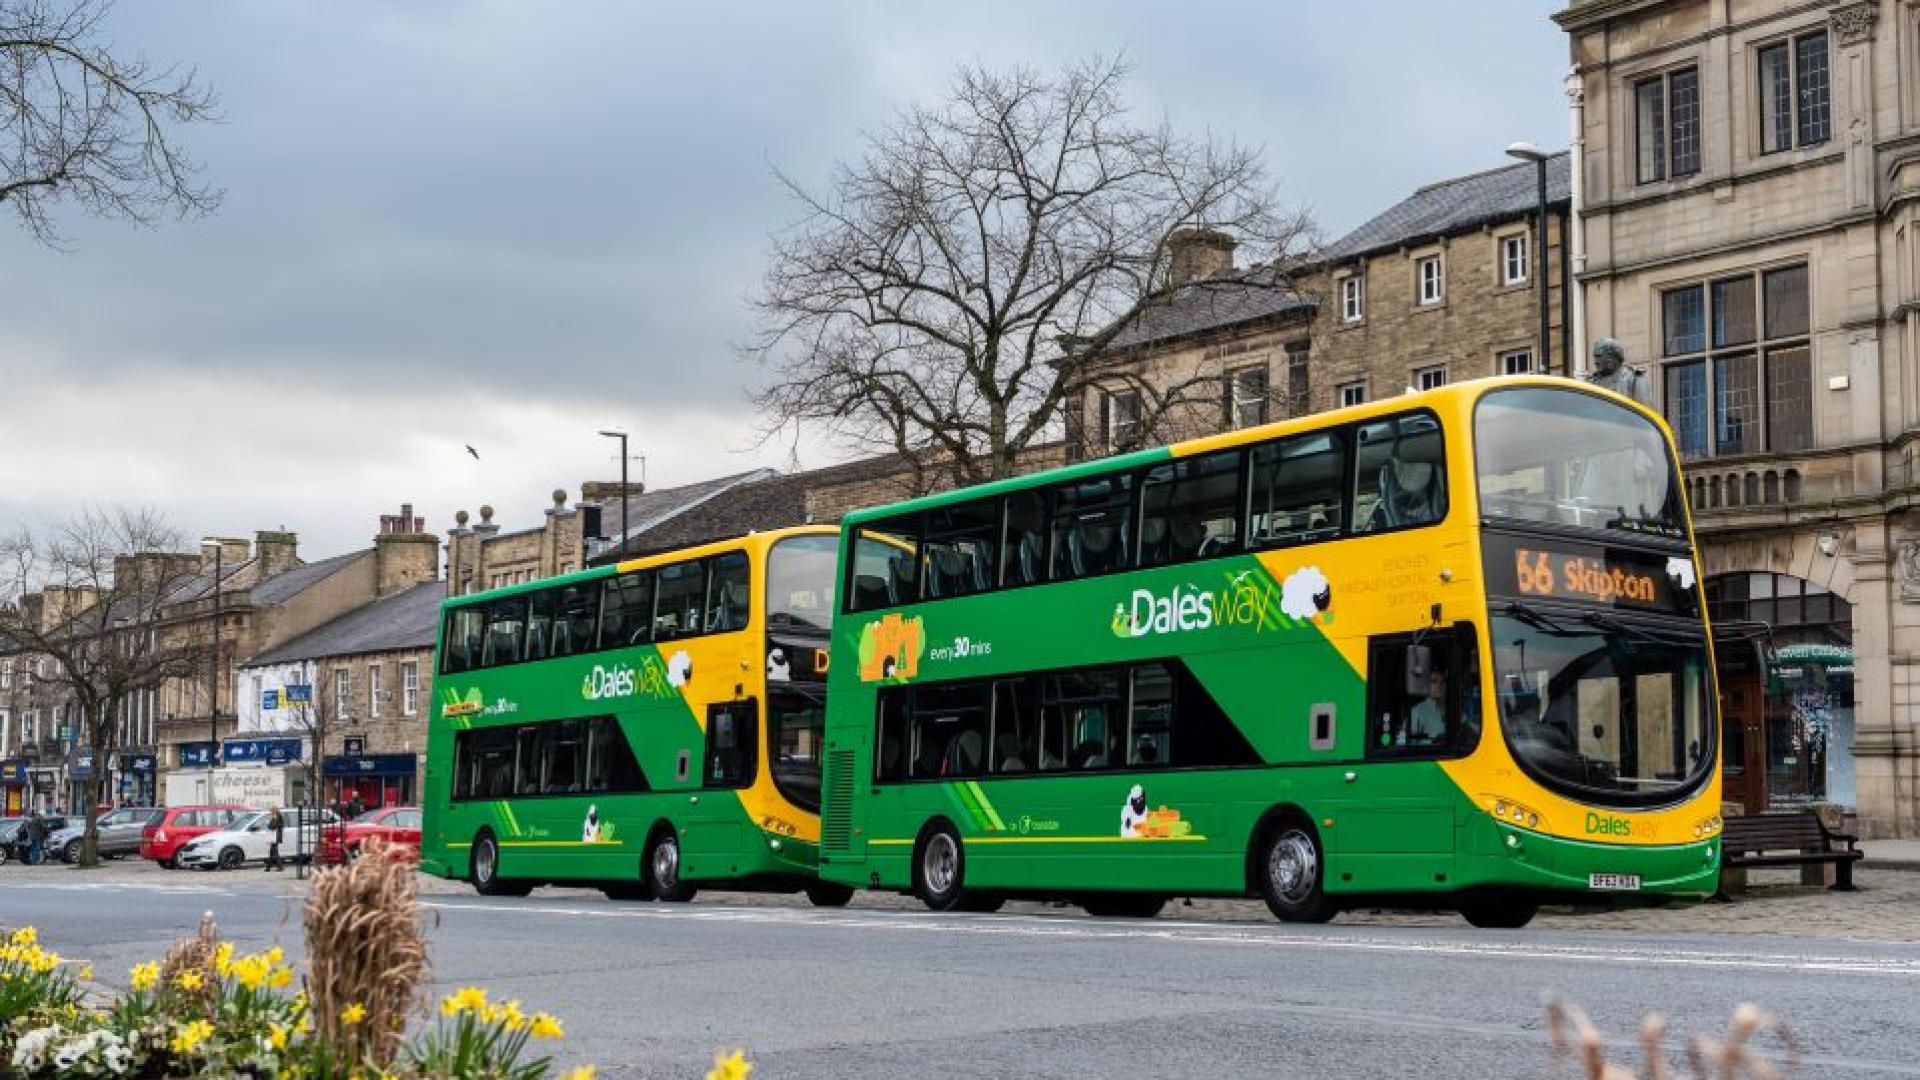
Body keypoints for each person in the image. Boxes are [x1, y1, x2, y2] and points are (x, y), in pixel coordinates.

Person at [1585, 338, 1650, 405]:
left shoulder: (1634, 379)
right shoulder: (1593, 382)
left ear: (1612, 357)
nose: (1595, 362)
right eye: (1595, 357)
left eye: (1599, 356)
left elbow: (1645, 409)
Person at [1408, 669, 1450, 746]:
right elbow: (1407, 744)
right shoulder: (1417, 712)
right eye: (1434, 681)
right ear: (1427, 686)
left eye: (1442, 682)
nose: (1439, 685)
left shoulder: (1453, 709)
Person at [264, 808, 285, 872]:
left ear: (274, 812)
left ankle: (280, 866)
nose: (270, 814)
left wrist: (270, 821)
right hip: (275, 836)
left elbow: (272, 827)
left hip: (275, 836)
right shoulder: (278, 818)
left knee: (274, 852)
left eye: (271, 812)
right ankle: (268, 867)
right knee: (272, 851)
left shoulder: (277, 818)